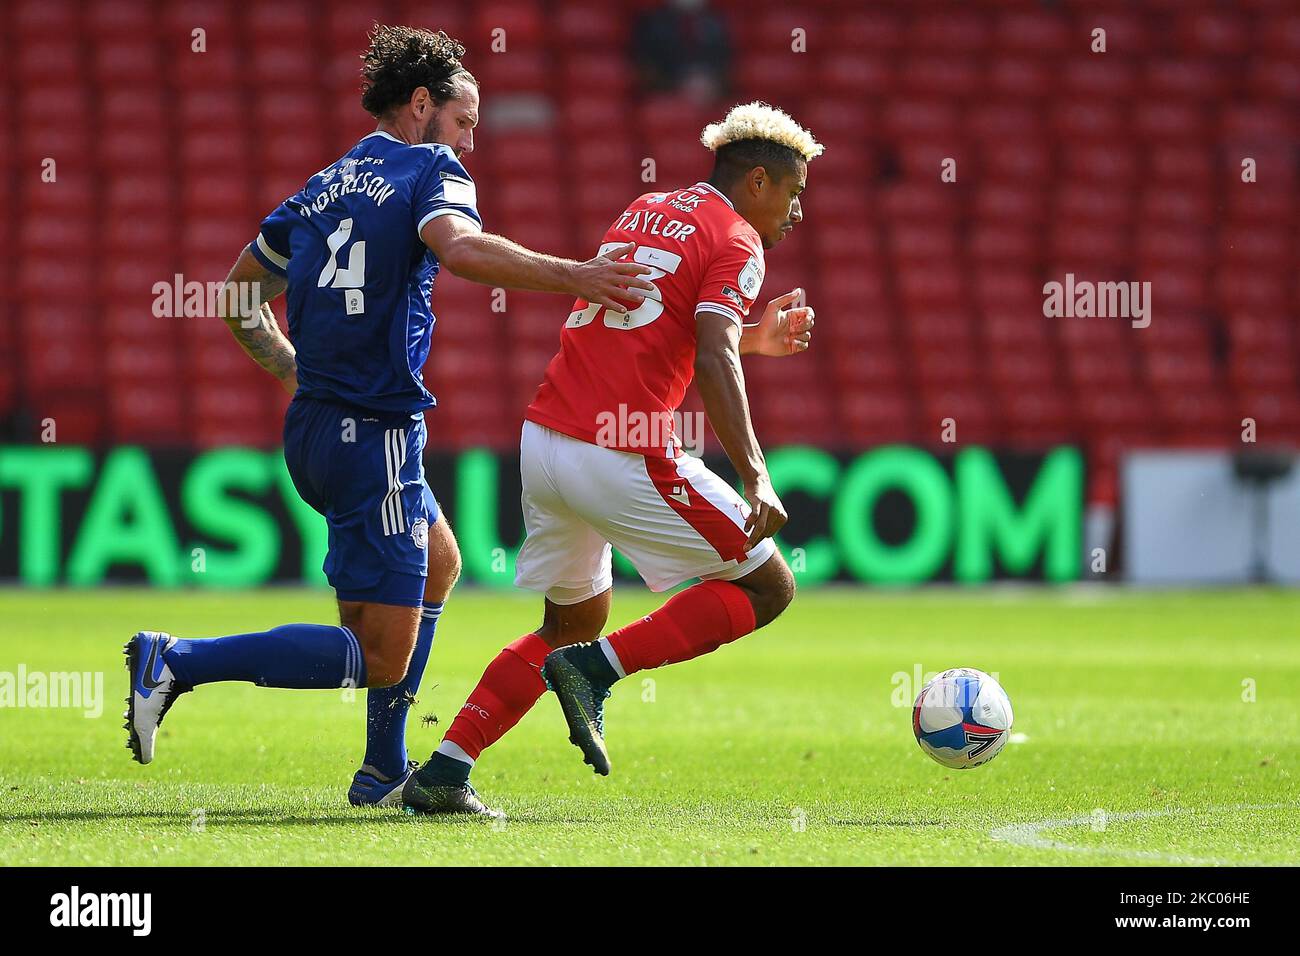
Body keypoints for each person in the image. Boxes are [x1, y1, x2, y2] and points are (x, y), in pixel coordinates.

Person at [122, 25, 654, 814]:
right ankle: (177, 661)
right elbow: (461, 248)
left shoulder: (320, 186)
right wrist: (576, 273)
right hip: (373, 435)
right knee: (379, 654)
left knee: (439, 562)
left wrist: (300, 372)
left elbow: (235, 300)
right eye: (464, 120)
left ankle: (381, 770)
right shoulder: (427, 168)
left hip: (316, 427)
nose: (470, 142)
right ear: (420, 105)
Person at [403, 102, 821, 817]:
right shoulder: (738, 239)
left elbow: (657, 322)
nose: (796, 212)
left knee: (568, 622)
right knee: (768, 588)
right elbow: (711, 349)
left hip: (547, 440)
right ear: (758, 181)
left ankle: (445, 770)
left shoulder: (650, 207)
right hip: (619, 450)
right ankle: (597, 672)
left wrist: (757, 339)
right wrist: (755, 472)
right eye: (792, 193)